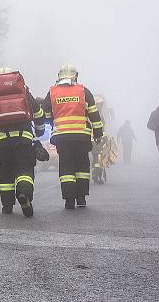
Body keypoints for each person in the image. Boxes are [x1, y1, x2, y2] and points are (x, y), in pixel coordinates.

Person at [0, 67, 46, 217]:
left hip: (2, 143)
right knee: (25, 169)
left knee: (6, 173)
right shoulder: (25, 93)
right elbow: (38, 113)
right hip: (24, 140)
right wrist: (40, 130)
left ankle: (7, 206)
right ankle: (23, 194)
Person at [41, 63, 104, 210]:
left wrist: (53, 120)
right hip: (82, 137)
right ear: (75, 76)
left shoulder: (52, 92)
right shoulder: (84, 91)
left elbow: (45, 113)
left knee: (66, 167)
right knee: (82, 166)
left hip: (62, 137)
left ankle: (69, 200)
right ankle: (81, 198)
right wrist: (98, 134)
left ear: (59, 76)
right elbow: (94, 115)